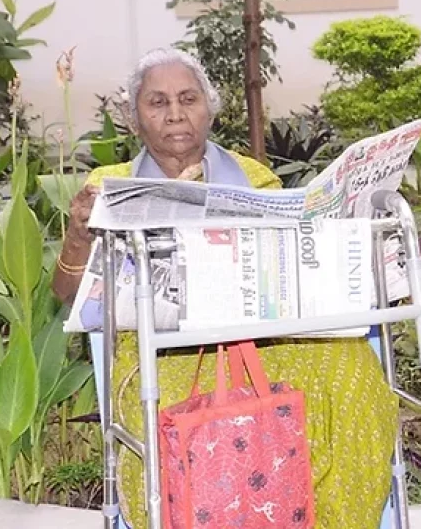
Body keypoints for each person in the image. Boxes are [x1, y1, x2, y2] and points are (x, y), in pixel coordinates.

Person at [51, 48, 398, 528]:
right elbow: (67, 295)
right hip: (162, 351)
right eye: (157, 102)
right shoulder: (108, 186)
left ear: (209, 110)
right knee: (185, 407)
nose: (175, 113)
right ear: (134, 119)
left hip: (263, 338)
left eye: (188, 98)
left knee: (352, 372)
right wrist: (77, 235)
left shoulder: (254, 179)